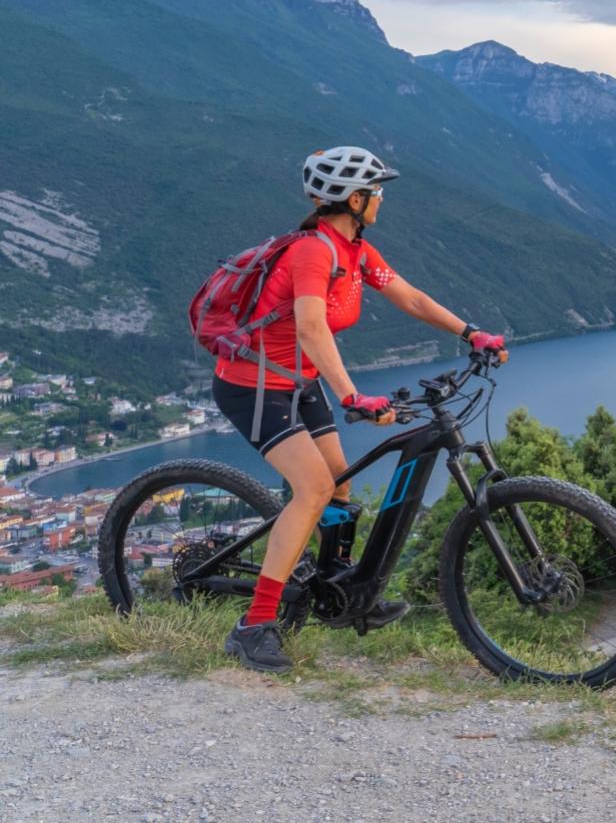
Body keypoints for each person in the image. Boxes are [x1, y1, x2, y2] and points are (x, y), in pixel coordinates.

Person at [210, 146, 508, 673]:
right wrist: (351, 396)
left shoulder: (355, 252)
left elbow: (410, 298)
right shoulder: (313, 252)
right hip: (253, 386)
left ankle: (342, 592)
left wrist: (471, 333)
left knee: (340, 486)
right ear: (354, 198)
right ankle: (253, 626)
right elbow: (310, 327)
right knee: (314, 488)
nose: (381, 199)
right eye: (377, 191)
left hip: (298, 381)